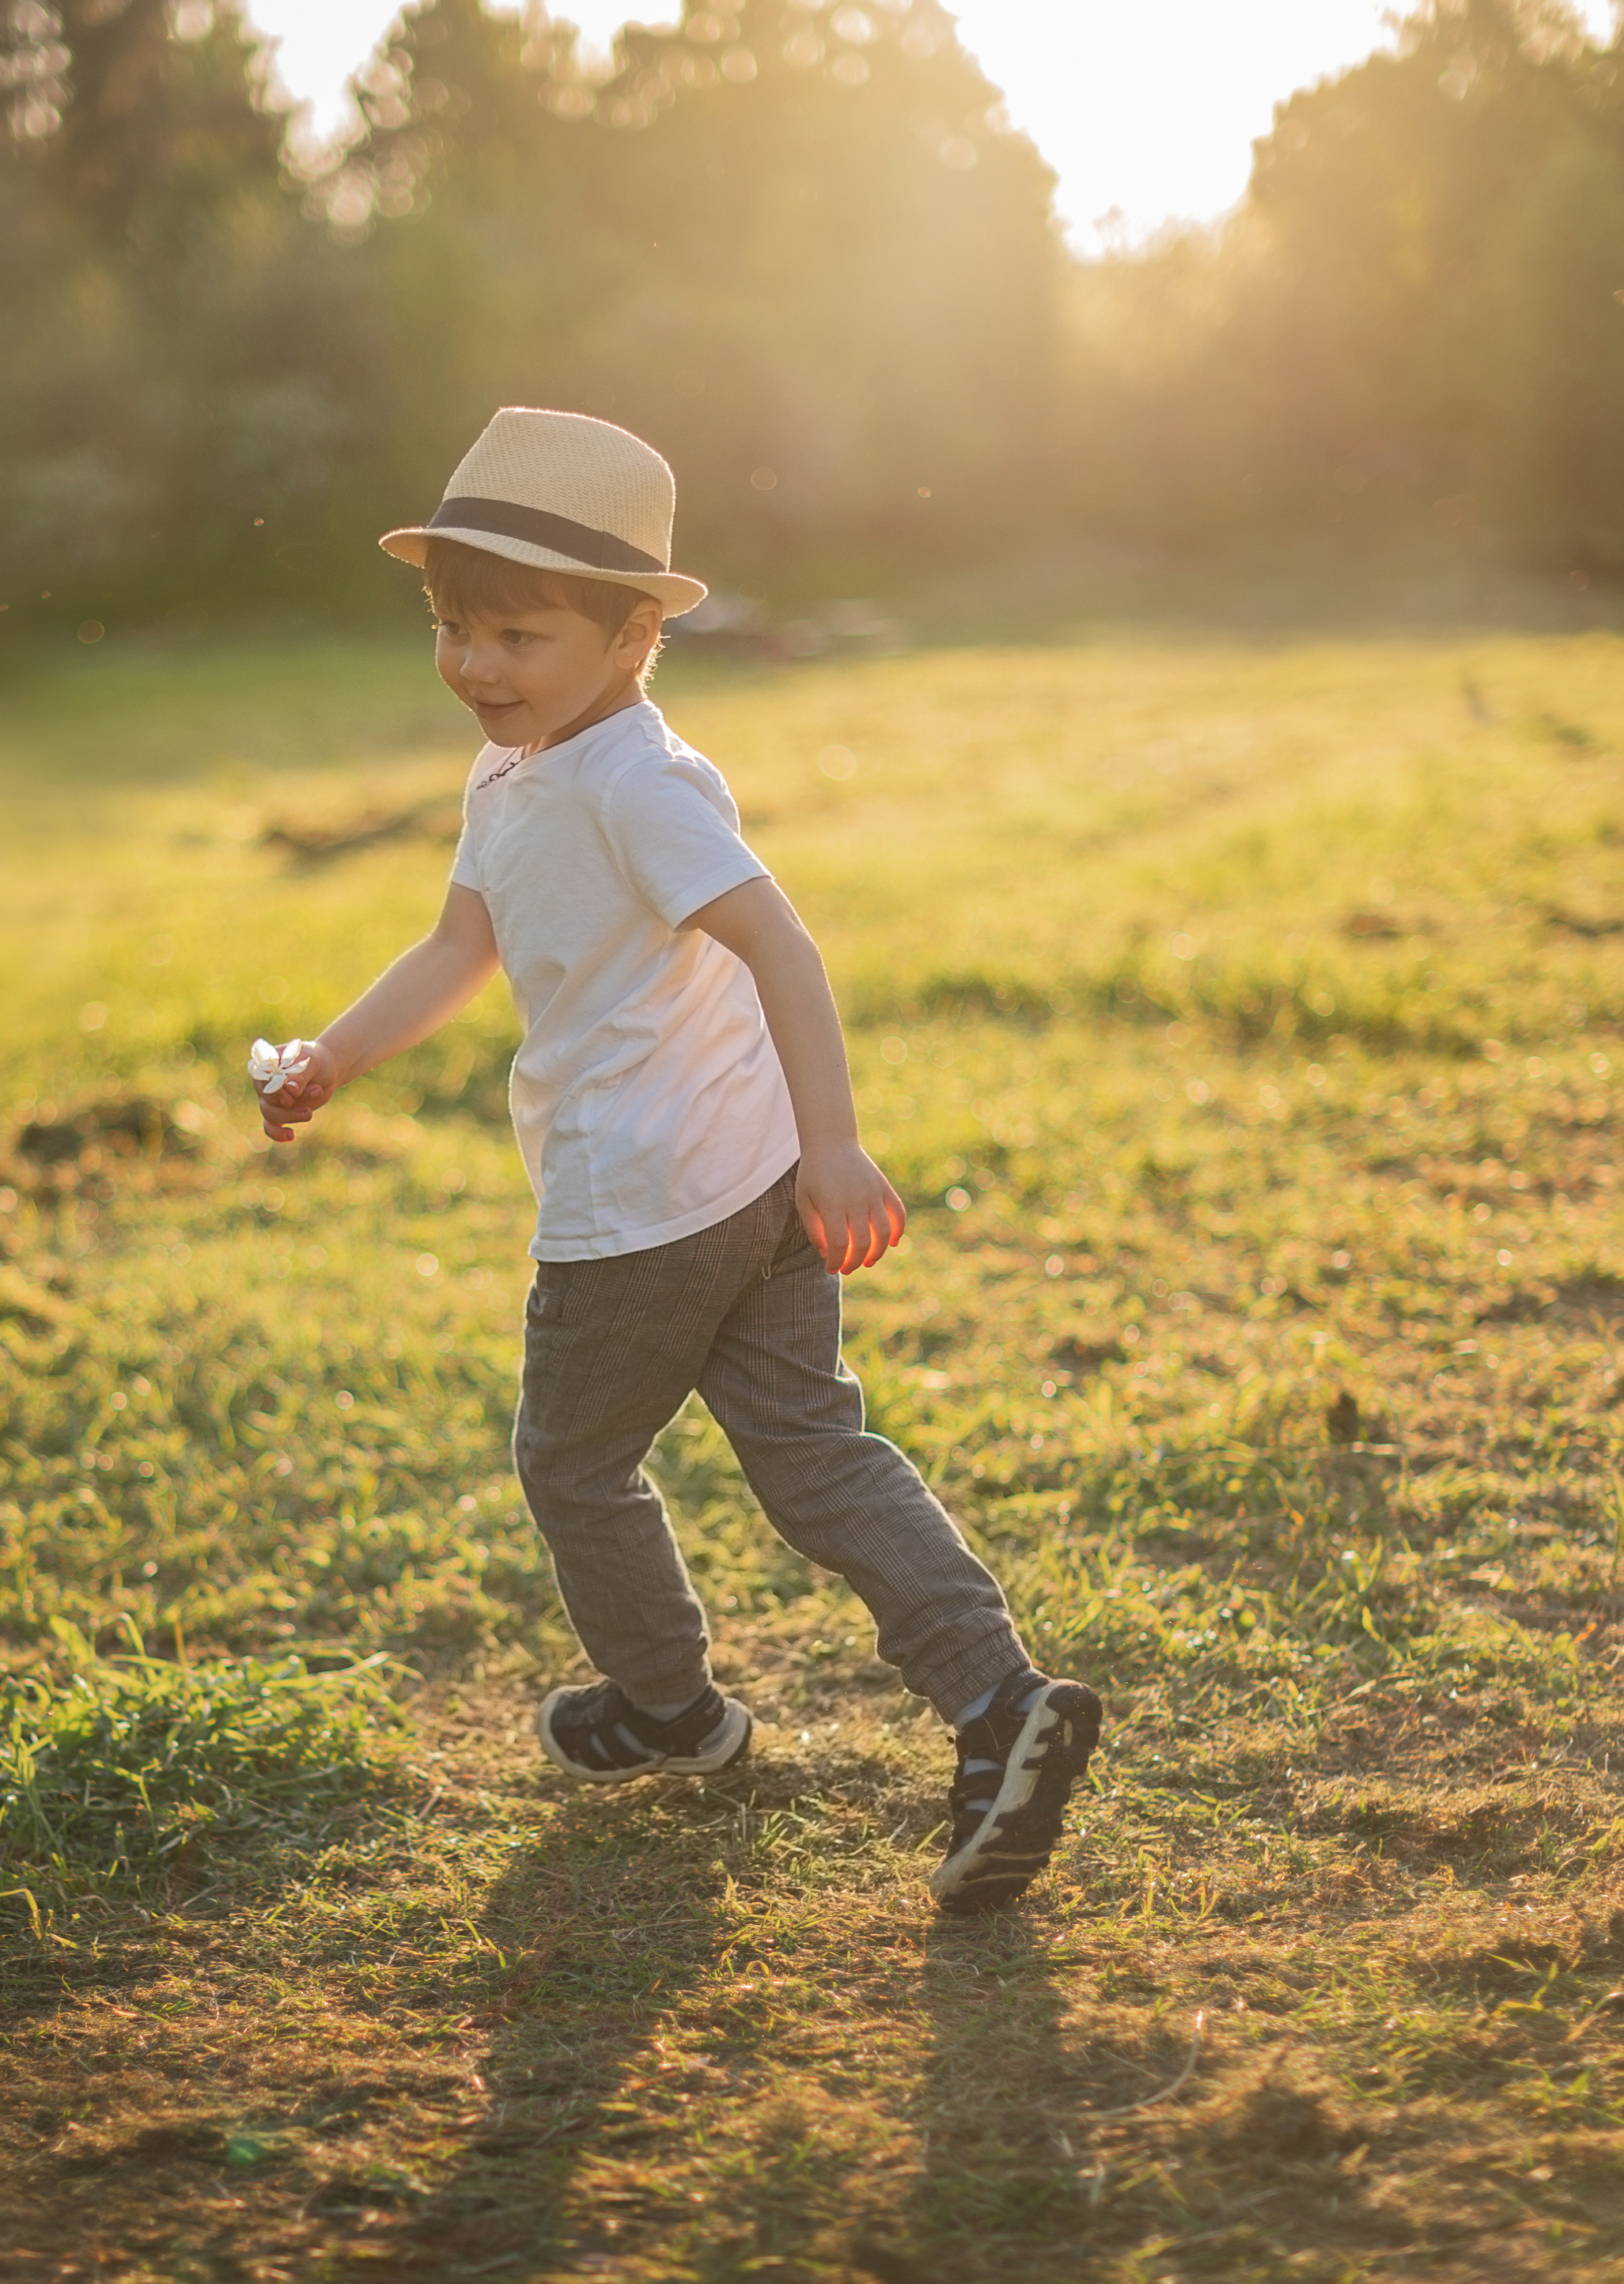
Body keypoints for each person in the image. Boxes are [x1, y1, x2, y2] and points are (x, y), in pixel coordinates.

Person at [256, 407, 1100, 1914]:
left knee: (571, 1463)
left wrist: (840, 1142)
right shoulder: (516, 773)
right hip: (746, 1178)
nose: (476, 666)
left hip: (648, 1206)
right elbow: (465, 940)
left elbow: (780, 936)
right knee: (813, 1453)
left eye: (518, 634)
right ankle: (1000, 1702)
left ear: (634, 634)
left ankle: (670, 1711)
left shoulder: (635, 783)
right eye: (453, 628)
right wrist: (335, 1054)